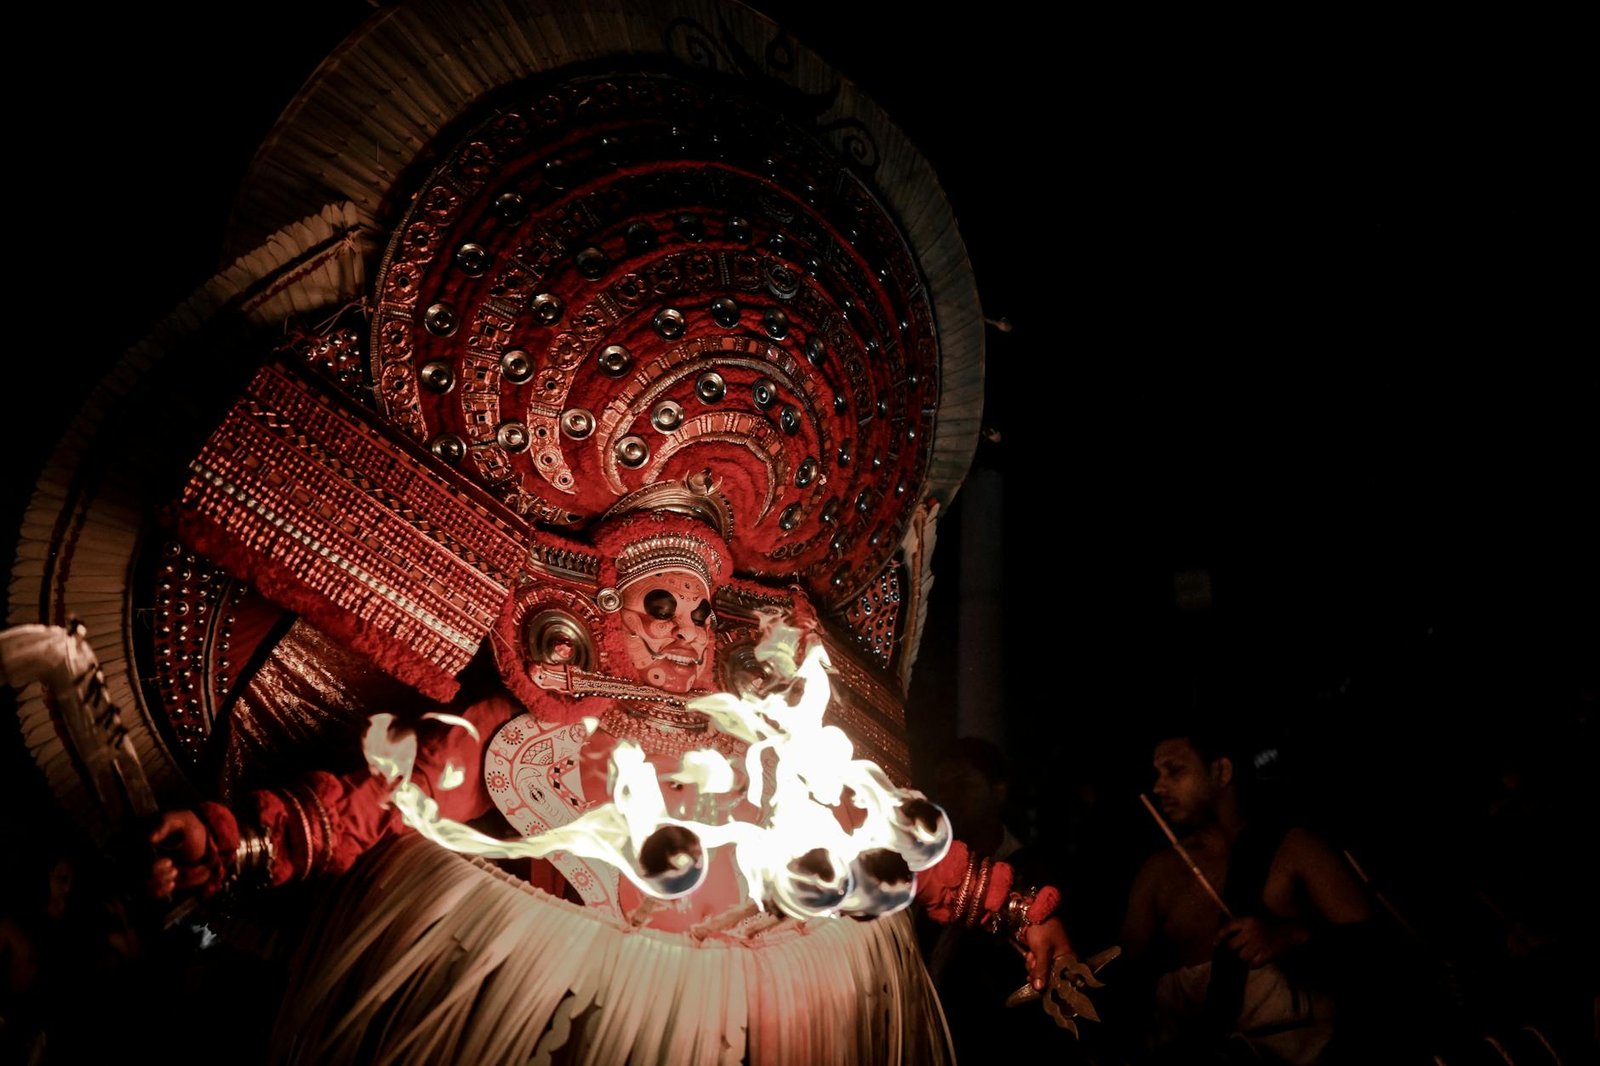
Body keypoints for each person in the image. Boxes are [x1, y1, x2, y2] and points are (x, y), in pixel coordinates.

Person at [1110, 723, 1375, 1065]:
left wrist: (1291, 936)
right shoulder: (1159, 873)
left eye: (1174, 771)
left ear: (1221, 771)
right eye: (1156, 774)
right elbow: (1127, 975)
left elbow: (1372, 943)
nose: (1158, 786)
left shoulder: (1293, 848)